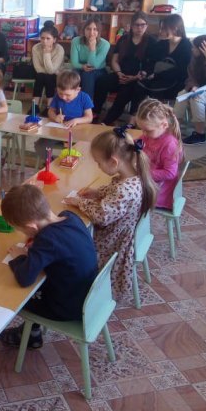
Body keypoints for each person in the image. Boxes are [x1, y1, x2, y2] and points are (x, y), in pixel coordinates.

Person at [0, 184, 98, 348]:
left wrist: (19, 257)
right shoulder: (70, 217)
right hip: (92, 297)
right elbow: (59, 244)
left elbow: (25, 278)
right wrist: (36, 244)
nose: (24, 235)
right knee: (39, 284)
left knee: (15, 299)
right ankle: (32, 332)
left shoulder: (47, 240)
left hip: (68, 307)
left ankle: (30, 335)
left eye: (22, 231)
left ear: (31, 227)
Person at [63, 126, 156, 301]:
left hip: (111, 243)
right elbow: (115, 193)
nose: (98, 167)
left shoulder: (125, 190)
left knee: (72, 245)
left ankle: (83, 291)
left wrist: (80, 202)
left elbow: (102, 215)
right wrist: (98, 193)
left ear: (114, 162)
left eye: (99, 163)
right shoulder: (133, 177)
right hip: (119, 235)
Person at [93, 12, 155, 125]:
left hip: (138, 78)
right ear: (131, 25)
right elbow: (114, 60)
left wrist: (134, 77)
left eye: (143, 25)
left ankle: (108, 120)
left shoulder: (151, 41)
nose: (139, 28)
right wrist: (119, 73)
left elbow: (150, 66)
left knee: (125, 92)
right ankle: (95, 112)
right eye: (137, 25)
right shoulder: (124, 39)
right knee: (102, 81)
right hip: (121, 74)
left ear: (147, 25)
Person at [133, 14, 192, 110]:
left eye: (164, 29)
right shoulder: (161, 44)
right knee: (139, 85)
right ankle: (135, 115)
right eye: (160, 28)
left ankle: (155, 115)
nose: (160, 31)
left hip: (175, 82)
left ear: (175, 28)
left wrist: (157, 75)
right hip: (159, 77)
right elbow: (151, 61)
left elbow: (181, 71)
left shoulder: (186, 46)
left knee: (155, 90)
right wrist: (146, 72)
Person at [34, 70, 93, 159]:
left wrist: (76, 120)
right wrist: (55, 117)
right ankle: (50, 163)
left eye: (67, 95)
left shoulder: (84, 98)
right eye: (60, 93)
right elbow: (50, 111)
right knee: (40, 145)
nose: (64, 97)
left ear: (77, 90)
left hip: (77, 134)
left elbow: (89, 117)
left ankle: (70, 164)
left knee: (79, 151)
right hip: (58, 132)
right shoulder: (57, 97)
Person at [135, 98, 182, 210]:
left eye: (148, 130)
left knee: (126, 196)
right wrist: (125, 144)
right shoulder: (149, 136)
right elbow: (137, 143)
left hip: (160, 192)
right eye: (142, 129)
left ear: (164, 125)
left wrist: (144, 174)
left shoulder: (169, 145)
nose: (144, 133)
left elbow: (170, 173)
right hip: (149, 180)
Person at [70, 18, 110, 100]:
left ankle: (87, 105)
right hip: (80, 68)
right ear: (84, 30)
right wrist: (83, 67)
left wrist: (92, 49)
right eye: (88, 29)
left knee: (87, 74)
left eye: (95, 29)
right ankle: (70, 102)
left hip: (98, 70)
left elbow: (94, 65)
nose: (91, 33)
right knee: (73, 75)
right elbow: (74, 63)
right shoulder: (76, 41)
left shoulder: (105, 44)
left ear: (99, 31)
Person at [31, 22, 65, 110]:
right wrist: (47, 70)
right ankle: (35, 106)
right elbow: (38, 68)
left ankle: (49, 107)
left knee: (49, 77)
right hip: (41, 74)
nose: (44, 41)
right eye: (42, 38)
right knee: (40, 76)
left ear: (54, 39)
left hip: (56, 74)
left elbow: (52, 71)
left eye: (48, 38)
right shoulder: (36, 48)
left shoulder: (59, 49)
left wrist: (46, 53)